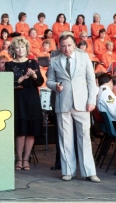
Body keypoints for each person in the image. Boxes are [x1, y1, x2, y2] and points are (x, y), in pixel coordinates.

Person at [46, 33, 100, 183]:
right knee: (65, 139)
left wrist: (91, 101)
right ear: (59, 46)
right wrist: (55, 86)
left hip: (83, 104)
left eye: (69, 45)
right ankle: (68, 171)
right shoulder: (54, 60)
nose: (66, 49)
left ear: (74, 45)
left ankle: (89, 172)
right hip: (63, 104)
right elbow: (49, 81)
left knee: (85, 138)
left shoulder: (84, 58)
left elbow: (91, 81)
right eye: (63, 46)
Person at [5, 37, 44, 171]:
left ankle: (26, 159)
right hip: (18, 99)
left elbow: (39, 81)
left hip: (32, 98)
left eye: (22, 47)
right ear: (13, 49)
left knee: (30, 131)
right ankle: (19, 159)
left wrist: (33, 76)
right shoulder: (9, 64)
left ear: (26, 48)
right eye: (17, 47)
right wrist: (23, 78)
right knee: (21, 131)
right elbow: (9, 83)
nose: (20, 49)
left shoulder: (33, 62)